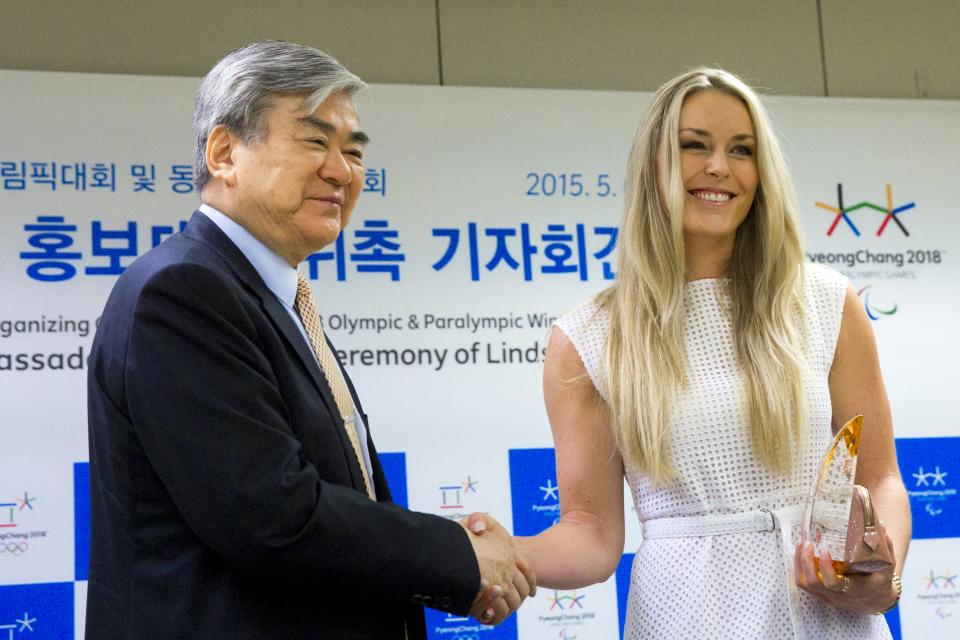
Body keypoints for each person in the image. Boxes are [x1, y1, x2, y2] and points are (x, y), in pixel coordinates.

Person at [85, 40, 532, 639]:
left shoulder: (272, 295)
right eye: (316, 141)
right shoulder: (184, 292)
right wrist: (459, 556)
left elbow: (331, 500)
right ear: (223, 152)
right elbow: (273, 518)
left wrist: (453, 572)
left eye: (353, 151)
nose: (341, 171)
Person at [511, 68, 911, 638]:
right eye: (693, 146)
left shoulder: (825, 301)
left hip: (829, 619)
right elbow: (592, 536)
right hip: (682, 616)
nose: (719, 167)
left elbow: (882, 476)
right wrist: (501, 555)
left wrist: (884, 572)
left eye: (741, 150)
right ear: (653, 165)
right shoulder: (590, 336)